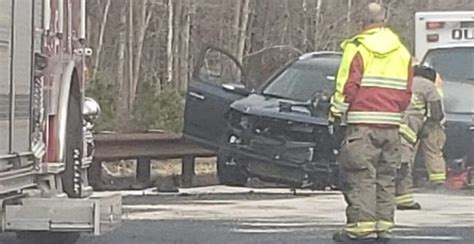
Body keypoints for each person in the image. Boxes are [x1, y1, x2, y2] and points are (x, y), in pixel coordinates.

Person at [329, 2, 413, 242]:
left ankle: (361, 228)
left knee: (360, 174)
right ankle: (383, 226)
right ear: (384, 20)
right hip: (391, 126)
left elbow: (347, 86)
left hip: (362, 124)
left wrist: (336, 112)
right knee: (386, 177)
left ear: (361, 22)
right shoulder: (402, 52)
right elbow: (407, 91)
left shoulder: (358, 48)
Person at [396, 65, 444, 210]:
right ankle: (404, 200)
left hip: (386, 123)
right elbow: (437, 114)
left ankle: (400, 197)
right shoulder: (428, 86)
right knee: (403, 165)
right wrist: (428, 126)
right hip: (406, 130)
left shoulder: (401, 81)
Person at [419, 72, 447, 186]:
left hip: (427, 125)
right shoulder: (434, 88)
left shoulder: (430, 90)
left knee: (430, 152)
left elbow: (436, 112)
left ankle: (437, 181)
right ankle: (437, 180)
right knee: (433, 152)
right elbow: (437, 113)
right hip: (433, 124)